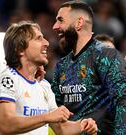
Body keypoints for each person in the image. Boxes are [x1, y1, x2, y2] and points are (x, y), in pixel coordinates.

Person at [0, 21, 97, 135]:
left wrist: (82, 125)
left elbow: (61, 129)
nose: (46, 43)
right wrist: (47, 117)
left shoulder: (43, 85)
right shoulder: (7, 80)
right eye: (38, 38)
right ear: (20, 49)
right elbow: (6, 125)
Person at [52, 1, 126, 135]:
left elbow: (123, 100)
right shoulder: (60, 65)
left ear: (79, 23)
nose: (55, 26)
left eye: (60, 20)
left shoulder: (106, 55)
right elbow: (54, 112)